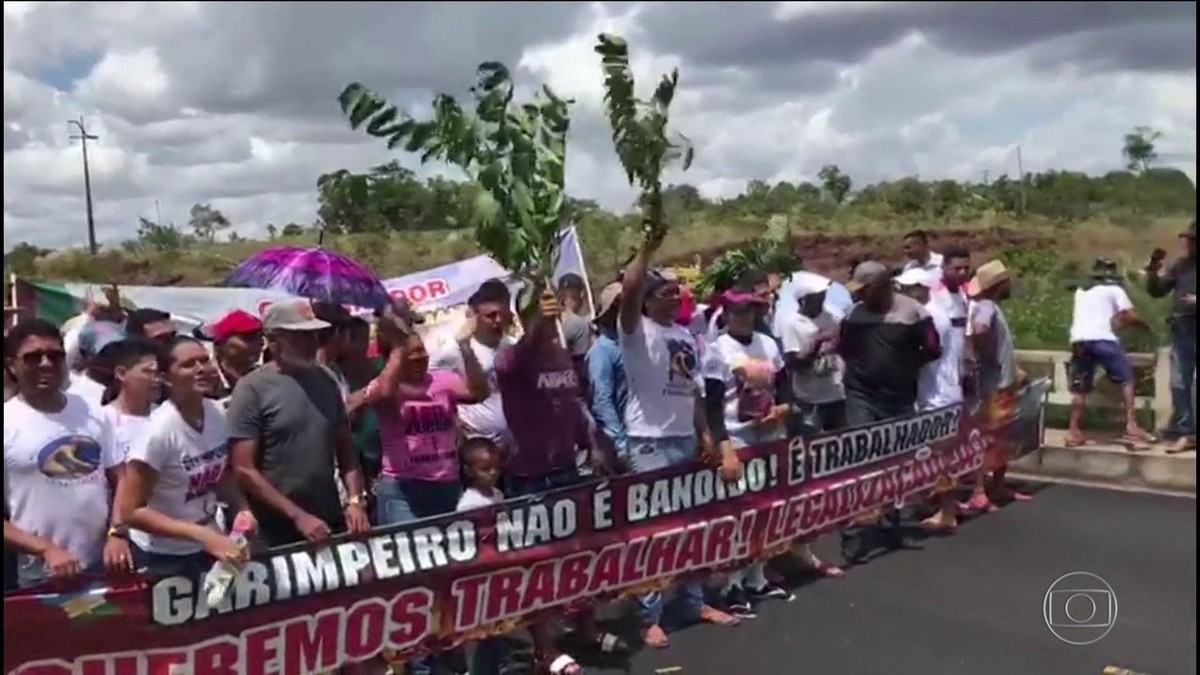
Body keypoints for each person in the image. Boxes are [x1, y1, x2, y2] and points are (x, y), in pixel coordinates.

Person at [495, 280, 626, 673]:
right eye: (536, 309)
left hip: (568, 470)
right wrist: (538, 319)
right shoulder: (510, 357)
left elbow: (573, 405)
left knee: (577, 557)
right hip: (530, 477)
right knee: (537, 565)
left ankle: (585, 627)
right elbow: (517, 357)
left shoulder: (561, 357)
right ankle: (545, 648)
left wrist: (593, 441)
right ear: (524, 315)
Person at [619, 232, 740, 648]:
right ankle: (648, 616)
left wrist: (705, 432)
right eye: (666, 292)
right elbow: (630, 290)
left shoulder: (685, 336)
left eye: (678, 291)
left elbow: (693, 392)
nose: (675, 298)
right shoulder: (638, 331)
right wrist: (646, 251)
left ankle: (692, 600)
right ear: (649, 300)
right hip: (649, 442)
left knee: (691, 526)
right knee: (653, 531)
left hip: (684, 438)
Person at [226, 301, 370, 548]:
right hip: (275, 528)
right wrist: (297, 515)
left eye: (314, 334)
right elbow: (244, 469)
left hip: (329, 518)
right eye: (301, 336)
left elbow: (346, 450)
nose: (312, 342)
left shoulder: (326, 379)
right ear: (274, 340)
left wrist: (356, 501)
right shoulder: (251, 390)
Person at [4, 319, 132, 588]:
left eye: (54, 355)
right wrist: (44, 549)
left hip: (105, 564)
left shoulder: (92, 410)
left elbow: (121, 477)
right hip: (42, 572)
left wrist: (117, 533)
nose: (46, 363)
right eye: (33, 357)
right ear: (11, 365)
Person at [114, 337, 250, 578]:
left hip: (208, 543)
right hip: (163, 556)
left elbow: (220, 474)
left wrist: (241, 507)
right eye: (188, 364)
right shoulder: (158, 433)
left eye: (204, 361)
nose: (201, 369)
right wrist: (199, 534)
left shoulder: (217, 413)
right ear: (166, 377)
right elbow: (131, 511)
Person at [703, 287, 796, 617]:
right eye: (739, 311)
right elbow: (712, 405)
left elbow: (785, 384)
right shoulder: (716, 350)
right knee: (738, 512)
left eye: (751, 311)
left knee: (766, 508)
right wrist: (723, 447)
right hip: (738, 438)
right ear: (726, 314)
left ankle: (757, 576)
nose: (746, 317)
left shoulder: (767, 343)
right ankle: (732, 583)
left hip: (769, 434)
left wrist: (783, 408)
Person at [838, 261, 939, 561]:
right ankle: (855, 534)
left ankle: (891, 526)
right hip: (862, 395)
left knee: (896, 462)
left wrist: (903, 367)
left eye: (864, 289)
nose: (859, 296)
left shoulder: (913, 313)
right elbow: (845, 349)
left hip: (898, 397)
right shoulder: (854, 316)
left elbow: (933, 348)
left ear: (882, 285)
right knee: (861, 459)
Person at [895, 269, 961, 532]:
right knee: (932, 454)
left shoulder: (931, 315)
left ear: (923, 289)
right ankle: (937, 503)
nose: (905, 293)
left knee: (944, 455)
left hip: (939, 394)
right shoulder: (928, 312)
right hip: (934, 391)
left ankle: (947, 512)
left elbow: (927, 353)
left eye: (910, 288)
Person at [1066, 259, 1156, 450]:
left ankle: (1073, 431)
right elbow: (1129, 315)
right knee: (1127, 379)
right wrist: (1146, 325)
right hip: (1102, 339)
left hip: (1079, 340)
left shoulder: (1081, 291)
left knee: (1080, 387)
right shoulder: (1114, 290)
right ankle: (1132, 427)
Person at [966, 260, 1030, 510]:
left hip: (1003, 381)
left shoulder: (990, 306)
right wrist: (988, 356)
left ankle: (998, 486)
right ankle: (980, 490)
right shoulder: (985, 307)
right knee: (988, 436)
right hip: (994, 383)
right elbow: (979, 331)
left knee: (1002, 434)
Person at [432, 280, 515, 451]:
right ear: (475, 316)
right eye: (490, 316)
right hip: (477, 445)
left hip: (513, 442)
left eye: (502, 314)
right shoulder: (453, 349)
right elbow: (428, 384)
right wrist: (451, 419)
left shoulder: (511, 346)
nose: (498, 320)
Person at [1146, 220, 1196, 454]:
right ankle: (1187, 432)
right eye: (1188, 239)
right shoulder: (1181, 266)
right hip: (1182, 331)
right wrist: (1153, 270)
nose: (1189, 244)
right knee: (1179, 383)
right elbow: (1157, 291)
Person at [779, 274, 846, 437]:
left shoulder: (831, 317)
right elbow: (793, 363)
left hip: (836, 393)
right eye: (816, 297)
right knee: (810, 444)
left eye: (822, 295)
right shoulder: (793, 324)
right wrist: (816, 347)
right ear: (804, 300)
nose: (821, 299)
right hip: (810, 398)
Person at [99, 338, 163, 461]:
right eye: (148, 372)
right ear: (121, 373)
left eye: (159, 373)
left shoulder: (164, 416)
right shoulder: (103, 421)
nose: (157, 379)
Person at [587, 283, 629, 460]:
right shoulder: (602, 351)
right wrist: (620, 445)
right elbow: (602, 400)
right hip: (629, 443)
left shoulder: (634, 344)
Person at [195, 310, 264, 407]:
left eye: (260, 336)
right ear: (220, 344)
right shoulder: (204, 381)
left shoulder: (264, 377)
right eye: (249, 338)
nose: (260, 343)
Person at [67, 321, 127, 408]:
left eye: (120, 349)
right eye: (106, 352)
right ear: (87, 356)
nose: (115, 356)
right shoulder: (79, 394)